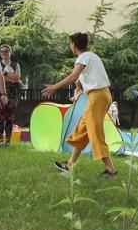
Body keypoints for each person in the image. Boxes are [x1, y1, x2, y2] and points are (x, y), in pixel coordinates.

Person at [43, 32, 116, 177]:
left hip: (97, 97)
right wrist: (82, 84)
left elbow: (73, 76)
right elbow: (88, 77)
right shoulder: (93, 56)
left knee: (95, 132)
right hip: (103, 95)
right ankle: (69, 164)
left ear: (74, 45)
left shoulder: (82, 58)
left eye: (70, 44)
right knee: (82, 130)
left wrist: (54, 87)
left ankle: (111, 170)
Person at [0, 44, 23, 145]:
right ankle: (0, 140)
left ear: (10, 52)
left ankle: (8, 141)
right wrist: (13, 78)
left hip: (14, 93)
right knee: (1, 116)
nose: (4, 53)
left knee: (10, 117)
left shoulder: (16, 64)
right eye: (2, 51)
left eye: (6, 51)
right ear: (0, 53)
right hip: (0, 92)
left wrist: (5, 74)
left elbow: (17, 77)